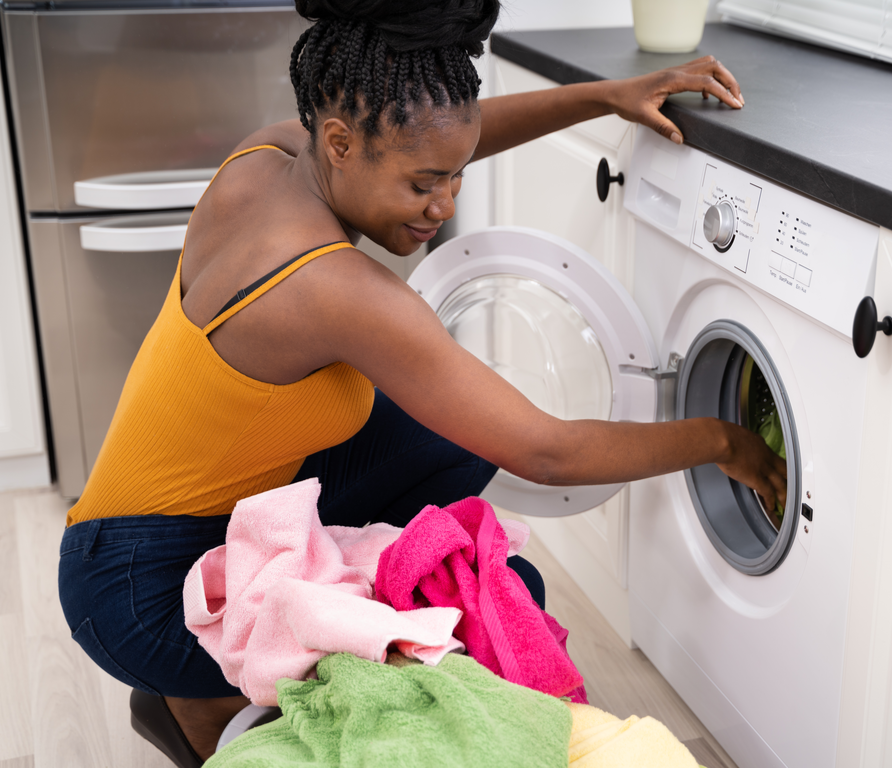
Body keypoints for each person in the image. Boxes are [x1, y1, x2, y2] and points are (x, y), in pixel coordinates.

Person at [57, 0, 781, 764]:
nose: (445, 204)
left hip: (124, 535)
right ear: (340, 142)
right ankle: (199, 696)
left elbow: (433, 131)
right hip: (137, 593)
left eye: (457, 175)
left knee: (444, 438)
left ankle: (213, 683)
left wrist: (601, 95)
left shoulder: (267, 157)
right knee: (482, 607)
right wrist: (721, 439)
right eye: (424, 184)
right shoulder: (333, 289)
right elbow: (550, 454)